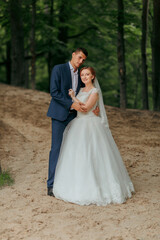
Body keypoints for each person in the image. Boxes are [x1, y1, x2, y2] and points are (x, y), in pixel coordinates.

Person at [53, 67, 135, 206]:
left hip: (90, 124)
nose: (84, 77)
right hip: (78, 125)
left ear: (93, 76)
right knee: (78, 156)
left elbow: (85, 108)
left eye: (87, 74)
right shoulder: (81, 90)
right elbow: (76, 107)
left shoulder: (94, 91)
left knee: (95, 155)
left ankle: (99, 187)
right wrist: (75, 96)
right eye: (82, 75)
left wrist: (72, 97)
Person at [47, 48, 99, 196]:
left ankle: (69, 182)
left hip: (75, 118)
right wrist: (71, 104)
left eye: (83, 60)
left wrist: (95, 109)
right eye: (80, 57)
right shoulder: (59, 69)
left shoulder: (82, 75)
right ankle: (51, 185)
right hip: (59, 115)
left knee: (72, 150)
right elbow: (54, 92)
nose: (81, 61)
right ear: (73, 55)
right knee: (56, 148)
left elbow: (88, 94)